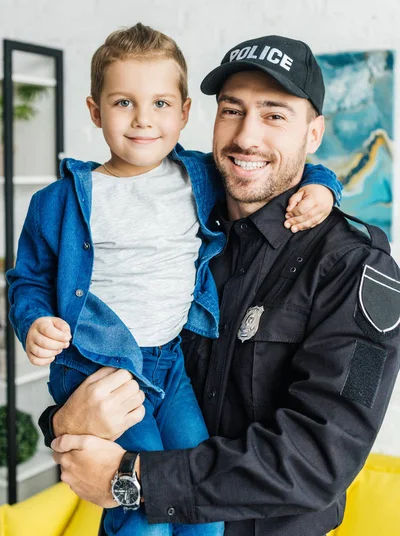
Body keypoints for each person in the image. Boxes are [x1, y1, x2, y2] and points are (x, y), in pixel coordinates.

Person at [40, 34, 400, 536]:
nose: (246, 136)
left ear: (313, 133)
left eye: (274, 115)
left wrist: (134, 479)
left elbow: (320, 459)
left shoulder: (355, 266)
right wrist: (63, 423)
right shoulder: (177, 220)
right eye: (232, 110)